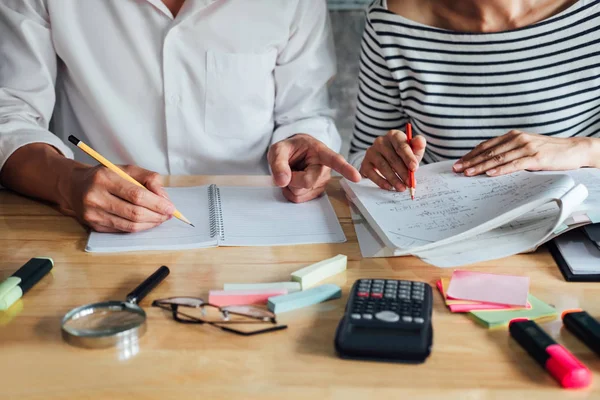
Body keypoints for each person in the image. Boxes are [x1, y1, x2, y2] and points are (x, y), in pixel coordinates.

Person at [0, 0, 361, 233]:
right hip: (90, 228)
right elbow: (10, 114)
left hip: (253, 226)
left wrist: (302, 150)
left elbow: (306, 111)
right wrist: (68, 183)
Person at [349, 0, 600, 192]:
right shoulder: (390, 22)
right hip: (444, 229)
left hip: (571, 232)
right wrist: (382, 160)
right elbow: (361, 156)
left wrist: (583, 150)